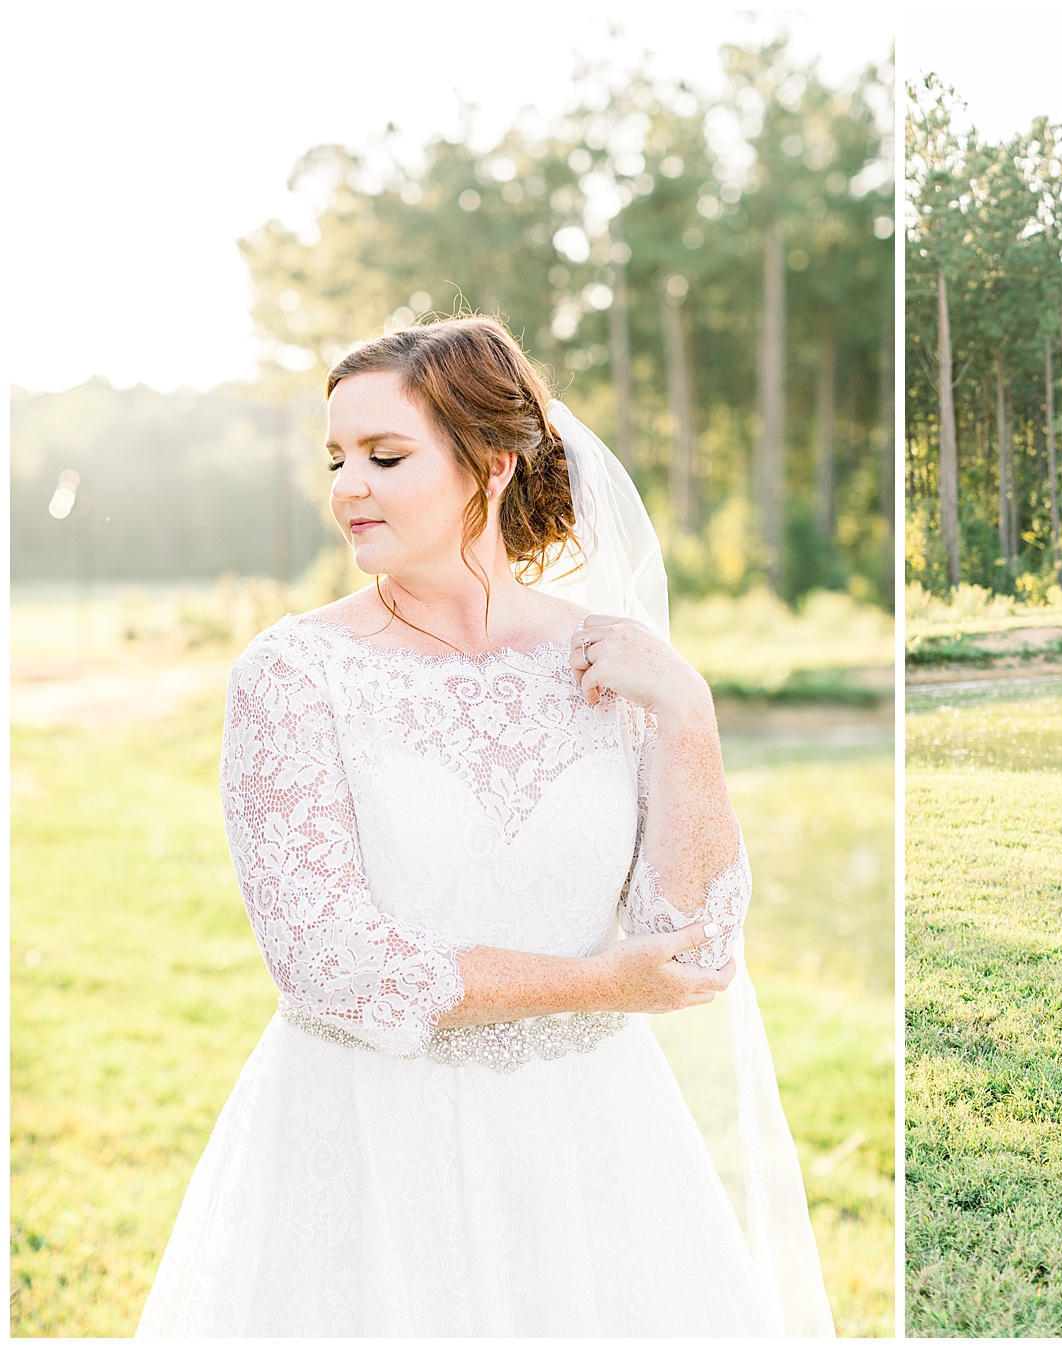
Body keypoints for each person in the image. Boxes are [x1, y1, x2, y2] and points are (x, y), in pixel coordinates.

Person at [137, 316, 834, 1336]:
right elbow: (328, 961)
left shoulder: (614, 660)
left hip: (594, 1147)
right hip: (371, 1137)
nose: (346, 488)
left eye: (384, 456)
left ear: (491, 463)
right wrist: (601, 984)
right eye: (336, 458)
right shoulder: (297, 675)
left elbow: (700, 942)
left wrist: (690, 715)